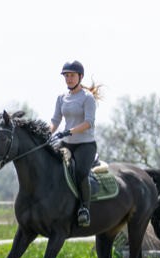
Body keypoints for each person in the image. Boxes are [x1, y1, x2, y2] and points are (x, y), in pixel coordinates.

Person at [49, 60, 102, 227]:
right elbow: (55, 121)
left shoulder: (87, 98)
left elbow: (89, 122)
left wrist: (70, 131)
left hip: (85, 144)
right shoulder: (61, 98)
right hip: (66, 143)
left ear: (80, 77)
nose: (69, 78)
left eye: (72, 75)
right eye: (66, 75)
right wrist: (45, 134)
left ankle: (84, 209)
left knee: (79, 172)